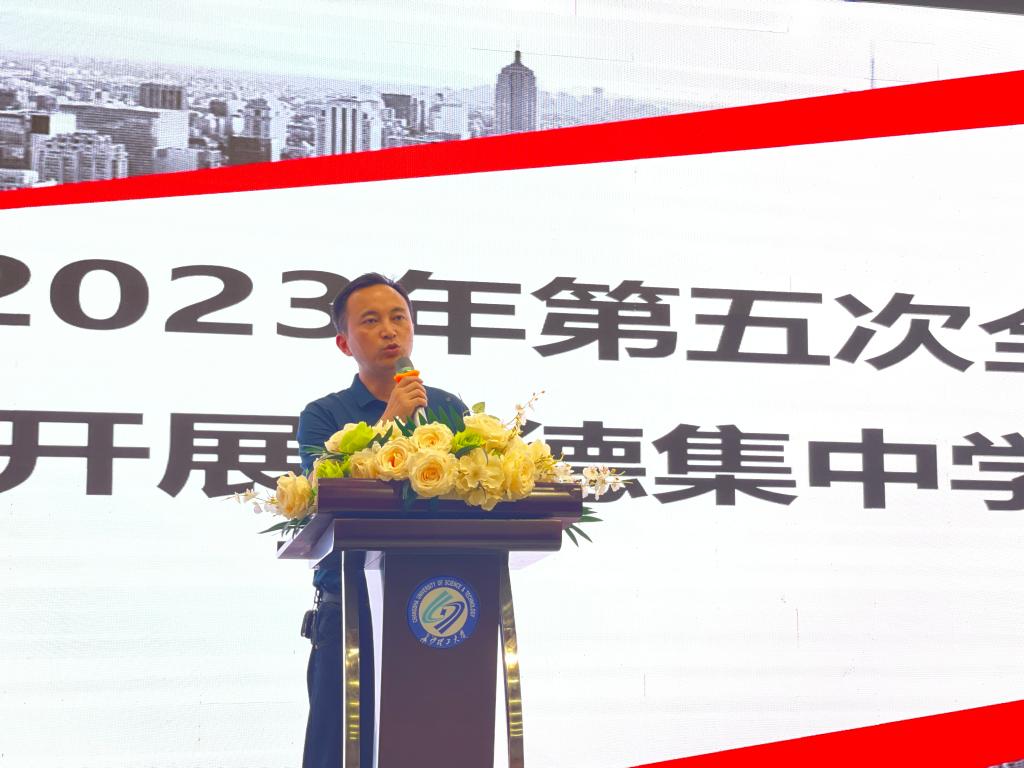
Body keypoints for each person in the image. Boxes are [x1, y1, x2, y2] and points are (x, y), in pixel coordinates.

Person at [296, 272, 467, 768]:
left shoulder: (449, 408)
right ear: (344, 343)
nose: (390, 330)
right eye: (371, 321)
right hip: (351, 608)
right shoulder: (323, 415)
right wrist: (389, 420)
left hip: (441, 602)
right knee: (340, 749)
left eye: (399, 318)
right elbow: (325, 491)